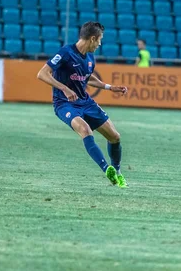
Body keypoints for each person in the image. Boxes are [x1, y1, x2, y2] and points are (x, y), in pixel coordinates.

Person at [36, 21, 129, 188]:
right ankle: (106, 168)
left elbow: (87, 77)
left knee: (115, 137)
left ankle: (117, 172)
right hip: (65, 104)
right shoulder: (66, 52)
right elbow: (42, 74)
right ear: (92, 38)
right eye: (100, 40)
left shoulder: (90, 58)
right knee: (85, 130)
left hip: (85, 102)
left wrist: (109, 87)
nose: (100, 44)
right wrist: (64, 88)